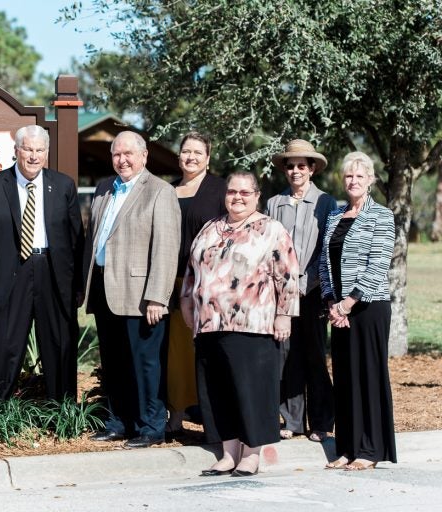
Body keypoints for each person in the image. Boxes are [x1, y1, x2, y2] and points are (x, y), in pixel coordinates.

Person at [181, 170, 299, 477]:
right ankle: (229, 453)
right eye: (233, 191)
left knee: (251, 391)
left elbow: (287, 275)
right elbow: (192, 270)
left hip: (253, 324)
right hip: (209, 324)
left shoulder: (271, 229)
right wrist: (187, 305)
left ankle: (251, 453)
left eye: (245, 193)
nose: (237, 197)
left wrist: (284, 314)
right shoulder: (211, 227)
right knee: (217, 392)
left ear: (257, 195)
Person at [83, 131, 181, 449]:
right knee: (114, 362)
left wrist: (157, 296)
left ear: (143, 156)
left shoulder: (160, 191)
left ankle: (151, 426)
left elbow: (166, 248)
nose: (122, 160)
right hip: (104, 288)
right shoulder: (103, 189)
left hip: (141, 295)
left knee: (146, 364)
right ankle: (119, 422)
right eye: (116, 154)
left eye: (128, 154)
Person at [0, 124, 84, 401]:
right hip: (12, 274)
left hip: (53, 273)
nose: (34, 156)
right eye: (28, 149)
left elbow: (76, 241)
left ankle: (63, 411)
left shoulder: (63, 186)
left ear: (47, 153)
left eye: (40, 150)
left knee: (59, 344)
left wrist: (78, 286)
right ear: (16, 151)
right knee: (7, 345)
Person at [319, 151, 397, 471]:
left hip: (368, 307)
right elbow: (324, 263)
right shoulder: (335, 215)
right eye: (348, 176)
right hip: (338, 311)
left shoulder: (382, 215)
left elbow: (378, 265)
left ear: (370, 180)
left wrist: (348, 303)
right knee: (346, 377)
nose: (353, 181)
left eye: (360, 176)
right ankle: (347, 447)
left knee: (368, 376)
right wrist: (331, 303)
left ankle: (370, 449)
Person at [267, 139, 337, 443]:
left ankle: (321, 422)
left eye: (301, 166)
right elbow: (270, 249)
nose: (295, 171)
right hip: (281, 293)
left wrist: (313, 284)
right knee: (286, 357)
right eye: (290, 166)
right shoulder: (273, 203)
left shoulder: (325, 202)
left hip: (313, 291)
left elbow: (328, 249)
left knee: (314, 356)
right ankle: (292, 420)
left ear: (311, 169)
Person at [166, 131, 226, 436]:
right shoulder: (167, 190)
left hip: (209, 282)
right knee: (177, 353)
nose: (190, 157)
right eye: (186, 151)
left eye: (197, 152)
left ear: (208, 158)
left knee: (208, 350)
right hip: (172, 281)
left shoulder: (220, 189)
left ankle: (212, 419)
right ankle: (176, 415)